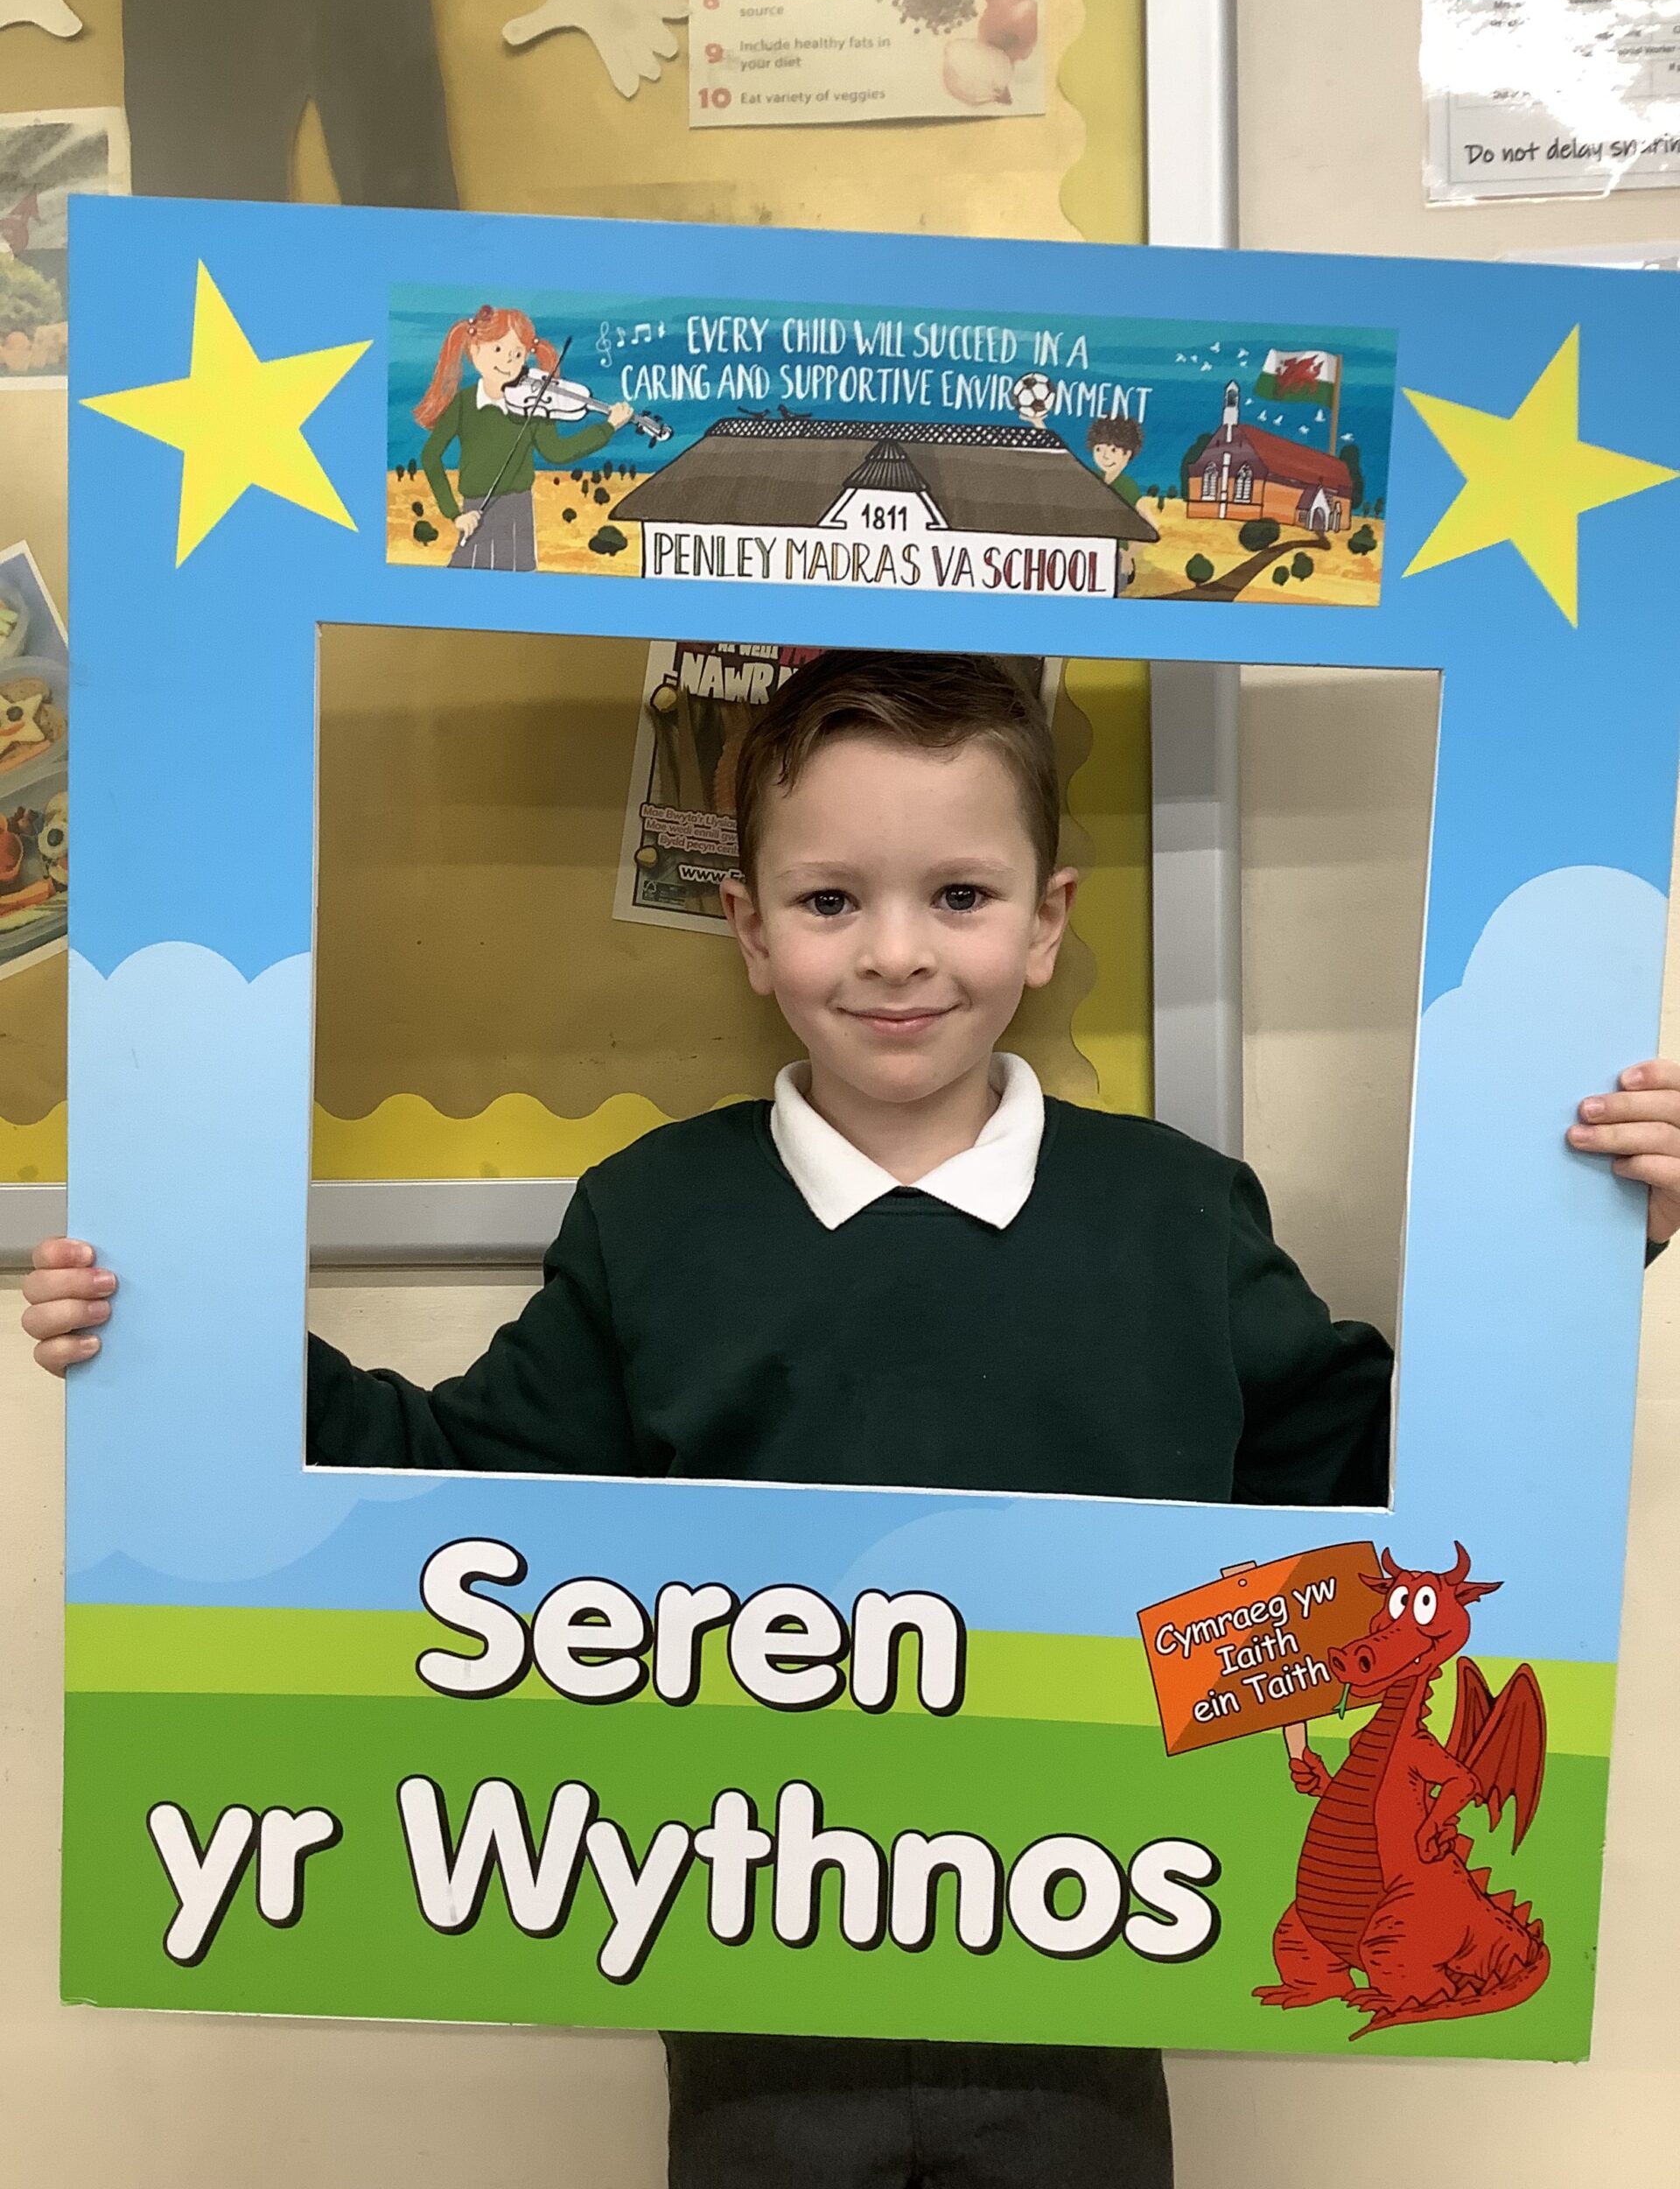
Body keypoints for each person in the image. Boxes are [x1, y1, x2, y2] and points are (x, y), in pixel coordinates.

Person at [22, 651, 1680, 2185]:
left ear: (1047, 922)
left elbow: (1375, 1500)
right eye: (832, 901)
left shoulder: (1176, 1216)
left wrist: (1592, 1255)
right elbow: (465, 1504)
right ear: (750, 931)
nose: (896, 953)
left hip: (1098, 1964)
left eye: (960, 895)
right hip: (755, 1968)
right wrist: (186, 1347)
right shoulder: (652, 1218)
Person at [413, 303, 634, 572]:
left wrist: (608, 427)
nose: (508, 361)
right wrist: (455, 515)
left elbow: (557, 452)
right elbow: (430, 456)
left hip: (518, 512)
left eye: (517, 354)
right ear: (474, 349)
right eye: (497, 349)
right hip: (473, 513)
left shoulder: (534, 405)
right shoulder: (464, 403)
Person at [1086, 417, 1158, 592]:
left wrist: (1129, 555)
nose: (1105, 456)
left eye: (1113, 450)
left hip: (1114, 556)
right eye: (1099, 449)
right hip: (1087, 551)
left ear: (1127, 454)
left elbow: (1153, 526)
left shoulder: (1128, 486)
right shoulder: (1091, 478)